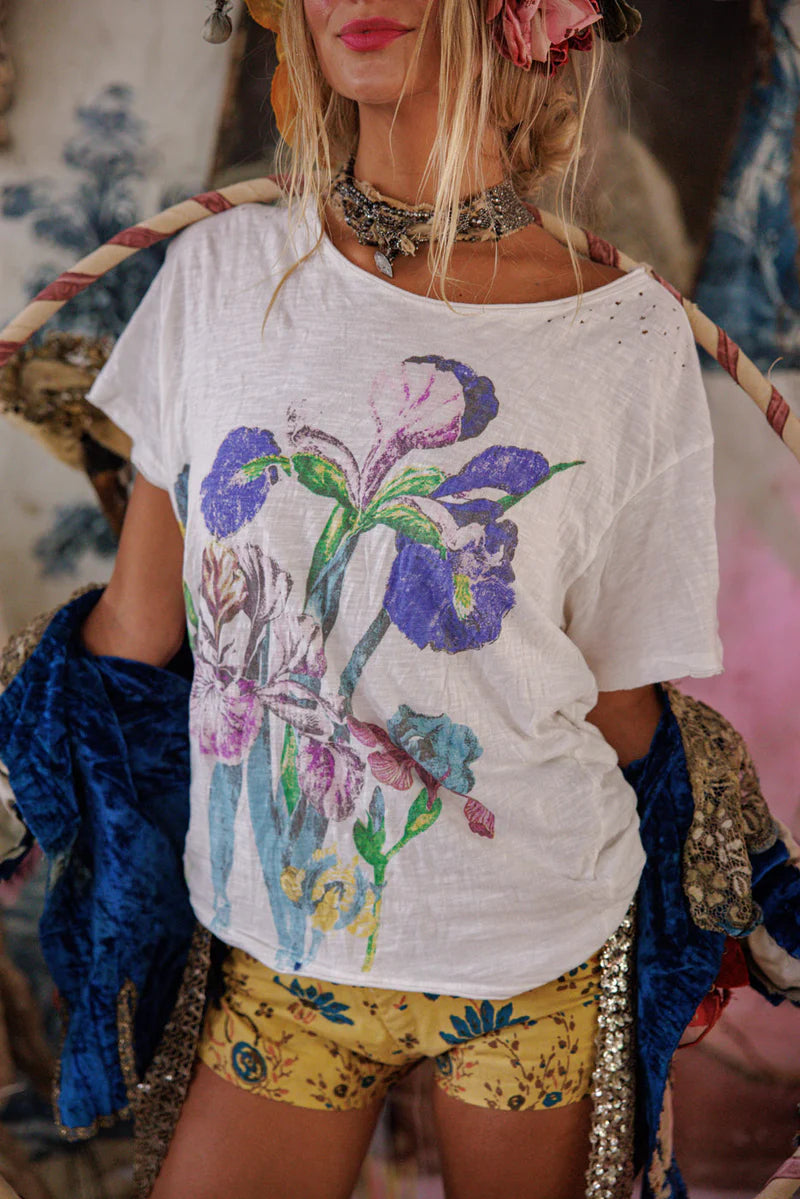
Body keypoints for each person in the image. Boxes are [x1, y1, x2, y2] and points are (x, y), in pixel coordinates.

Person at [78, 2, 722, 1196]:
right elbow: (137, 631)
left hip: (531, 948)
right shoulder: (218, 273)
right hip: (280, 950)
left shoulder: (623, 330)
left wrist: (723, 852)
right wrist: (25, 763)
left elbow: (615, 693)